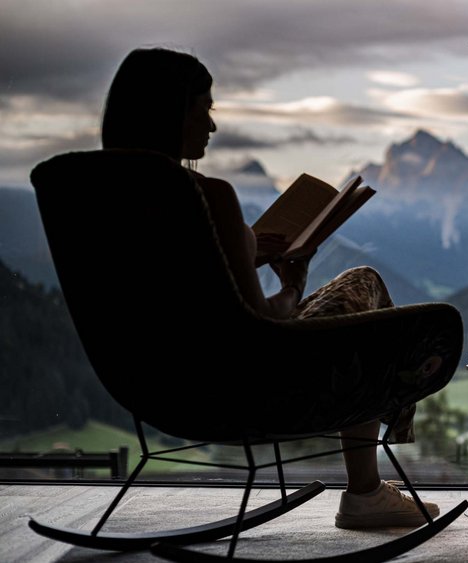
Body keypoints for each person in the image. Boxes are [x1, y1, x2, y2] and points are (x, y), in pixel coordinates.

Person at [100, 47, 437, 529]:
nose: (212, 128)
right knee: (365, 288)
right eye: (205, 110)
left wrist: (243, 254)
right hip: (246, 385)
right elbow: (263, 323)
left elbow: (177, 290)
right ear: (173, 112)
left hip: (153, 380)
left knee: (357, 306)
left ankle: (368, 490)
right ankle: (365, 492)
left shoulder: (103, 203)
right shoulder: (208, 198)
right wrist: (293, 284)